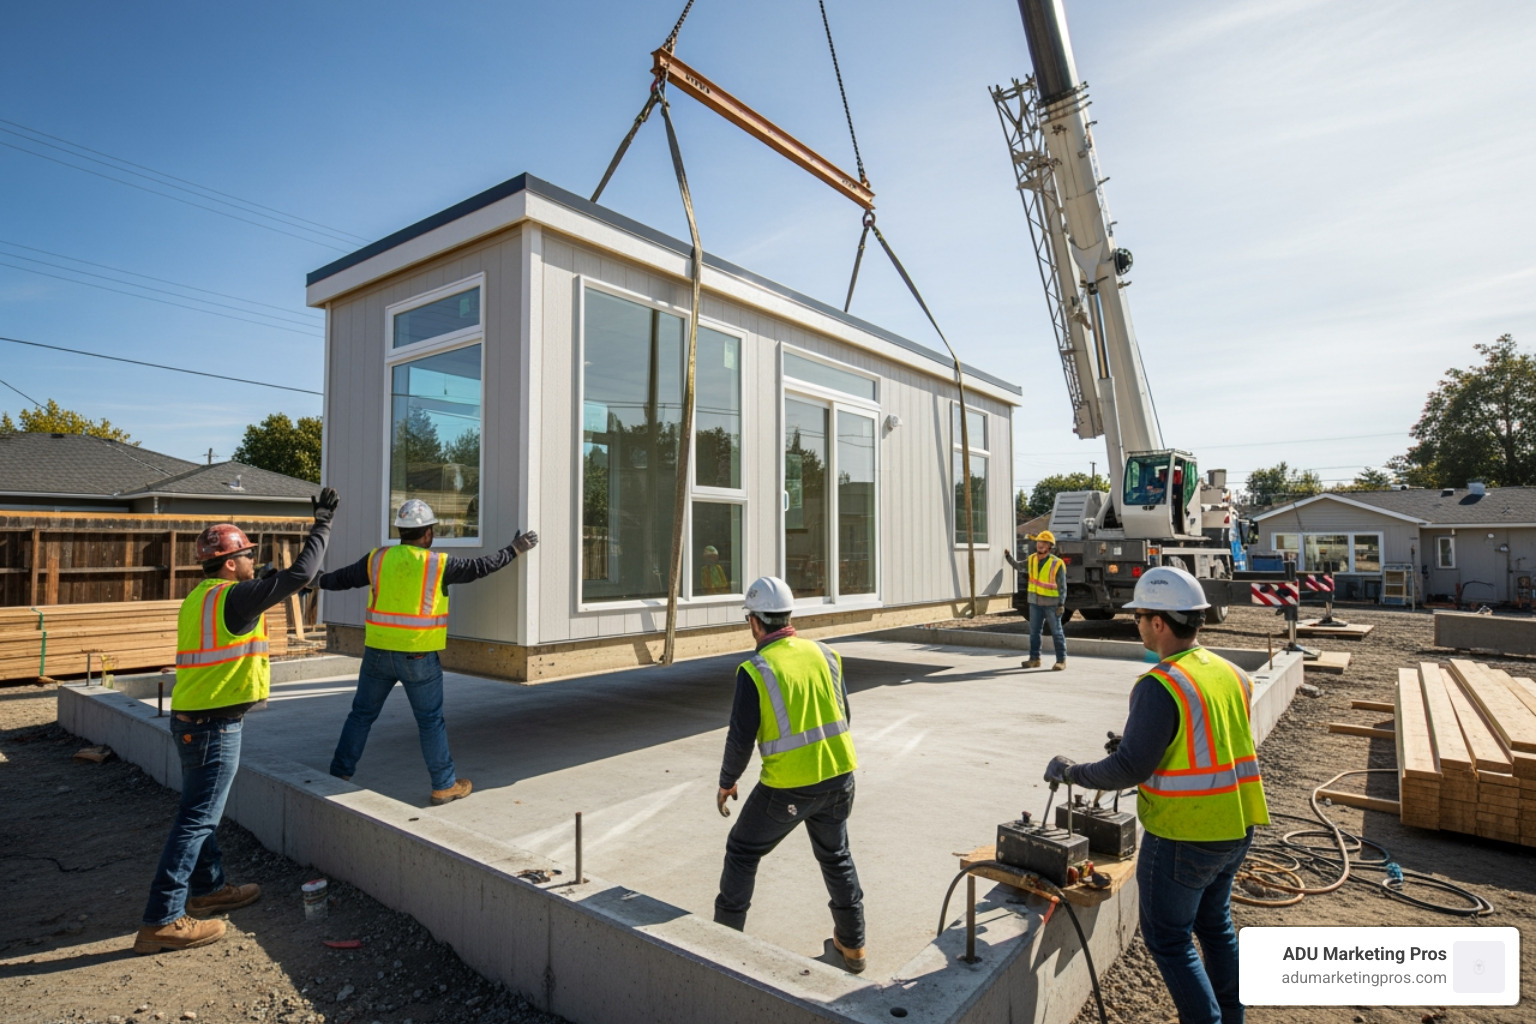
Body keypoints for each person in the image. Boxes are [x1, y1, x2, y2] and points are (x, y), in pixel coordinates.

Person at [1042, 566, 1269, 1024]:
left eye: (1140, 616)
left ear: (1160, 622)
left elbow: (1130, 768)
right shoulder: (1231, 673)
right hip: (1238, 824)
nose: (1137, 624)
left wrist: (1072, 771)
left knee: (1169, 939)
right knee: (1216, 927)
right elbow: (1204, 741)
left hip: (1184, 834)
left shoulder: (1160, 684)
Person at [134, 488, 338, 954]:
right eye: (247, 556)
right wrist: (322, 523)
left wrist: (262, 581)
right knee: (196, 820)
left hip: (191, 720)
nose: (252, 562)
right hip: (213, 728)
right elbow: (303, 573)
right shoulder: (235, 598)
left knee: (197, 813)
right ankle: (161, 918)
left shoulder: (200, 597)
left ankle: (208, 890)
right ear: (230, 564)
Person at [315, 499, 537, 805]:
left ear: (400, 531)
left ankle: (339, 773)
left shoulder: (377, 559)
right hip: (418, 656)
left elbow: (341, 579)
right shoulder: (439, 563)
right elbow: (481, 567)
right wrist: (514, 549)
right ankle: (444, 785)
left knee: (361, 715)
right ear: (428, 534)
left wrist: (314, 579)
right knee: (430, 721)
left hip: (378, 653)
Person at [714, 576, 865, 974]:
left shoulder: (755, 669)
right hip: (839, 775)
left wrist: (728, 780)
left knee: (743, 851)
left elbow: (740, 738)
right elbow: (843, 715)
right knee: (836, 856)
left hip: (789, 787)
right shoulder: (826, 654)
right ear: (787, 616)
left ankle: (722, 945)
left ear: (755, 623)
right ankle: (853, 948)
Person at [1005, 530, 1067, 670]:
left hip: (1052, 604)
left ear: (1050, 546)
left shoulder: (1057, 563)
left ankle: (1061, 660)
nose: (1040, 545)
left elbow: (1062, 586)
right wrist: (1008, 557)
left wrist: (1061, 604)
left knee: (1056, 632)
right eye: (1039, 542)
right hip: (1035, 603)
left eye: (1044, 543)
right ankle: (1034, 659)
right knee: (1034, 632)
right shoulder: (1032, 559)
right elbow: (1018, 566)